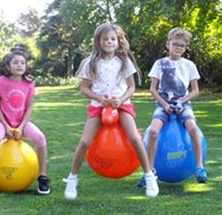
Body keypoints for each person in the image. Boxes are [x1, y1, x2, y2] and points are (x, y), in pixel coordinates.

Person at [63, 23, 159, 200]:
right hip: (98, 106)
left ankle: (149, 176)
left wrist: (120, 100)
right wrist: (100, 98)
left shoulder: (124, 62)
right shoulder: (90, 63)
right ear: (98, 41)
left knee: (135, 138)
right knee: (84, 142)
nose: (109, 42)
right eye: (105, 39)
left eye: (113, 39)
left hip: (121, 105)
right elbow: (84, 88)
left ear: (118, 41)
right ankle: (72, 179)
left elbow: (131, 87)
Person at [137, 28, 207, 187]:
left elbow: (195, 90)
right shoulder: (159, 64)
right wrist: (165, 104)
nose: (178, 48)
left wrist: (182, 102)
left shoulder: (189, 65)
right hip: (163, 105)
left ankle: (199, 168)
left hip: (184, 104)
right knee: (153, 132)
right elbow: (153, 90)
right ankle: (149, 172)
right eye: (175, 44)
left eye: (182, 46)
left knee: (193, 129)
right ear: (168, 44)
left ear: (185, 47)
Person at [0, 49, 51, 195]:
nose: (19, 65)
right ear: (8, 66)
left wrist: (21, 126)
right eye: (16, 62)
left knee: (40, 138)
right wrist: (6, 126)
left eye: (22, 63)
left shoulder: (29, 83)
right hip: (2, 122)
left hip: (21, 123)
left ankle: (43, 177)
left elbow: (29, 106)